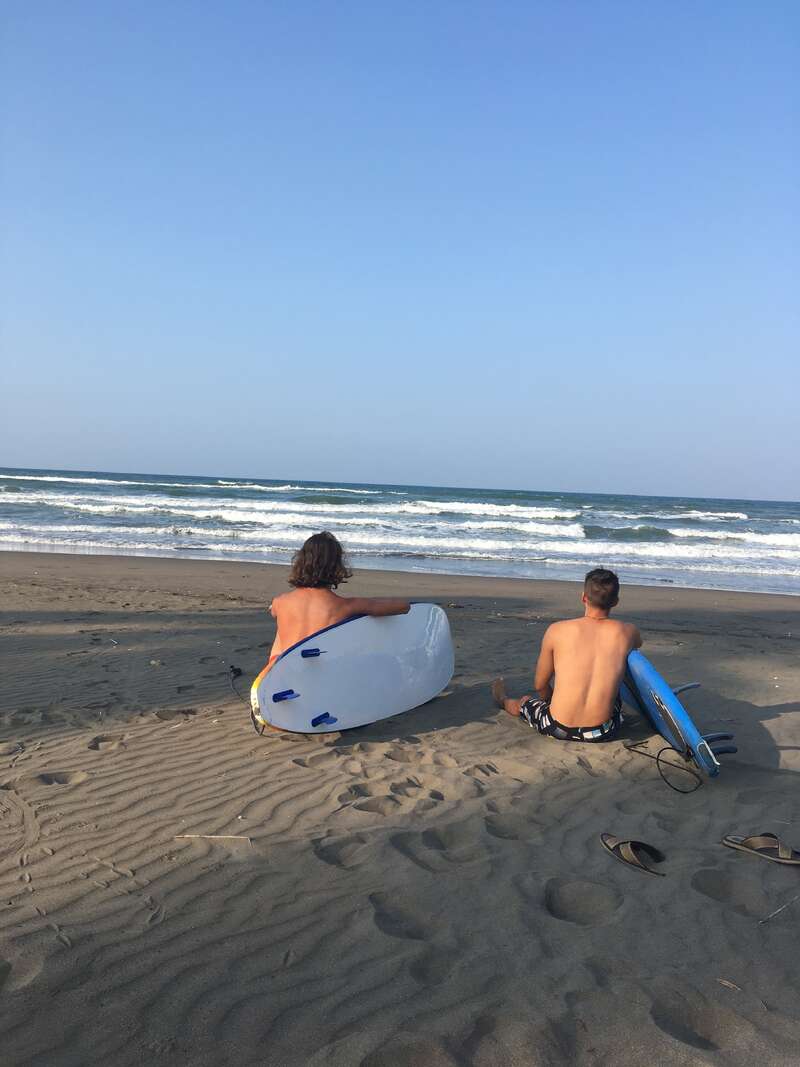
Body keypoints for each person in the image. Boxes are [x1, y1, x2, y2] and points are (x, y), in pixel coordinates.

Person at [491, 568, 641, 742]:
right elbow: (637, 648)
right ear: (615, 601)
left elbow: (540, 685)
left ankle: (502, 699)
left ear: (583, 597)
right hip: (602, 732)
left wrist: (550, 701)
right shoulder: (628, 632)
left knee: (524, 702)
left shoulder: (557, 631)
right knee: (614, 688)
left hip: (557, 727)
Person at [266, 531, 411, 667]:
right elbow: (403, 607)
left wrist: (277, 610)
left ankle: (274, 668)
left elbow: (274, 612)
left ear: (301, 562)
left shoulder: (280, 602)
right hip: (324, 673)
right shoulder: (345, 605)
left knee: (283, 626)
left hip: (286, 674)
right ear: (336, 566)